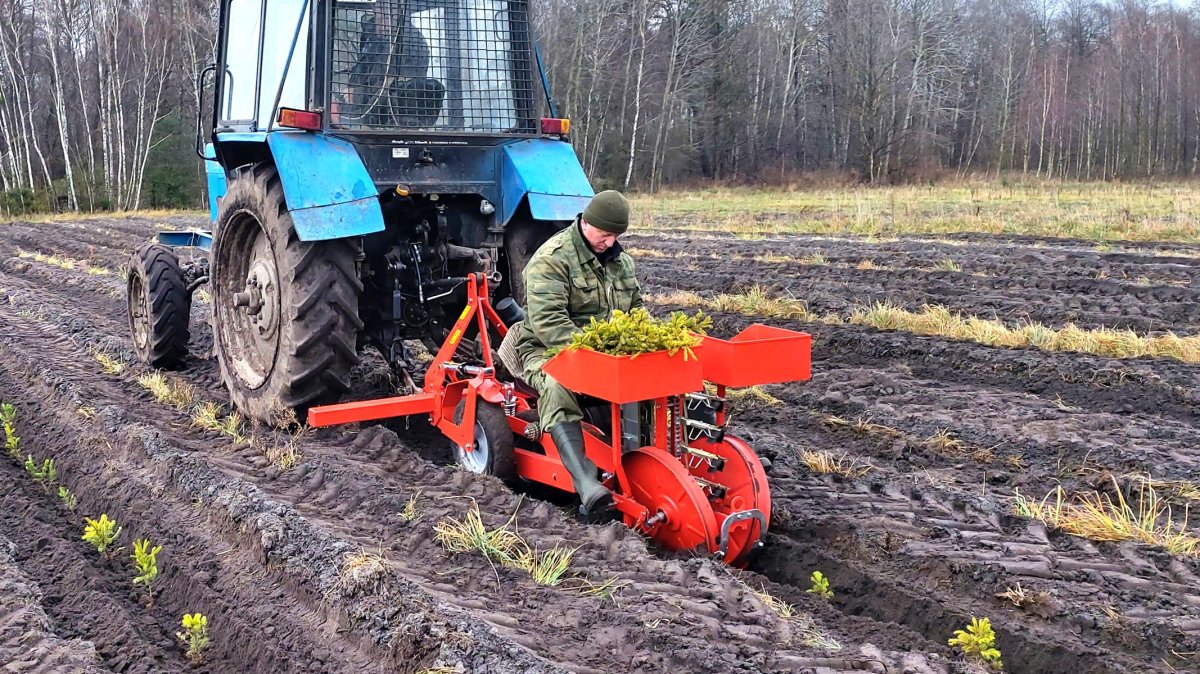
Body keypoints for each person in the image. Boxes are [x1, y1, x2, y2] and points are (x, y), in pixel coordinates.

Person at [510, 190, 643, 519]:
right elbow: (548, 324)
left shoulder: (621, 263)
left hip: (605, 350)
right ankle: (587, 485)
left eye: (616, 236)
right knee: (557, 385)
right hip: (547, 348)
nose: (609, 243)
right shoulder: (551, 260)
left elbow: (637, 310)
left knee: (656, 376)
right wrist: (596, 355)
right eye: (604, 234)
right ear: (586, 223)